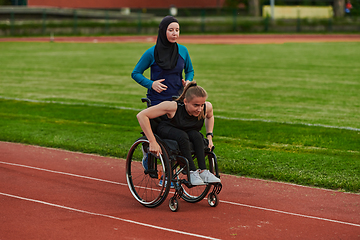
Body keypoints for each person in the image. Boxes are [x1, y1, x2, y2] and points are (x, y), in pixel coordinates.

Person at [136, 82, 220, 186]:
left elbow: (210, 116)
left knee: (197, 136)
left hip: (185, 131)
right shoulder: (172, 107)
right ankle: (192, 172)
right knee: (182, 136)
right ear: (185, 101)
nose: (199, 109)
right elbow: (141, 115)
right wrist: (152, 141)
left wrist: (209, 137)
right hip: (166, 129)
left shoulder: (207, 107)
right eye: (196, 105)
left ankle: (203, 171)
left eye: (202, 105)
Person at [131, 15, 194, 106]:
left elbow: (189, 70)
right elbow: (135, 73)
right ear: (163, 31)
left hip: (178, 99)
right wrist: (151, 84)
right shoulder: (151, 52)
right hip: (157, 100)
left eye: (177, 30)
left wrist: (188, 81)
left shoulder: (183, 50)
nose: (174, 33)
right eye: (170, 30)